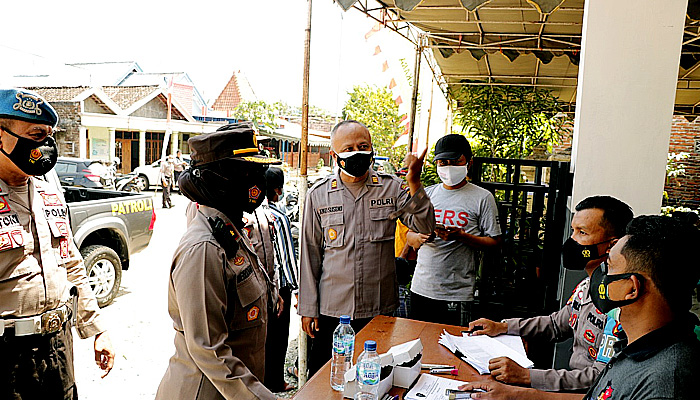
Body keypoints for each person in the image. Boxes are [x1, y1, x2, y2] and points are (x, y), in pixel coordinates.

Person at [459, 215, 700, 400]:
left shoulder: (664, 384)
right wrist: (514, 394)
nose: (601, 275)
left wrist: (525, 379)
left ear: (631, 288)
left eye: (610, 267)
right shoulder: (635, 344)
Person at [156, 122, 283, 400]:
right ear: (221, 179)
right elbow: (209, 348)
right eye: (249, 172)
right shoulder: (203, 248)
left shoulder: (230, 229)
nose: (259, 181)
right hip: (205, 392)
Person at [0, 88, 114, 398]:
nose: (45, 145)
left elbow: (72, 263)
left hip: (58, 347)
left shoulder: (49, 192)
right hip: (7, 356)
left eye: (50, 136)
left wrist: (97, 328)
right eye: (35, 134)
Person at [298, 119, 435, 376]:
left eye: (363, 146)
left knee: (376, 378)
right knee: (327, 379)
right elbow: (309, 254)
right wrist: (308, 309)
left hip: (379, 309)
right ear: (334, 155)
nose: (357, 153)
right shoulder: (319, 195)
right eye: (348, 148)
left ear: (372, 149)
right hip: (333, 312)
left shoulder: (391, 187)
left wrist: (414, 181)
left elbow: (425, 226)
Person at [467, 196, 633, 392]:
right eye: (573, 230)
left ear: (611, 246)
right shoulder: (587, 286)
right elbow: (556, 324)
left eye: (582, 232)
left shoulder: (618, 302)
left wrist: (526, 376)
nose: (572, 240)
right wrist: (503, 327)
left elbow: (600, 376)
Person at [406, 134, 502, 326]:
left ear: (468, 162)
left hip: (457, 293)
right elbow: (409, 234)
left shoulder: (482, 197)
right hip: (421, 289)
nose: (448, 167)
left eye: (455, 161)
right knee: (417, 346)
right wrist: (419, 237)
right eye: (442, 162)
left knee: (451, 350)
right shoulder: (428, 193)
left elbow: (495, 242)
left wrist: (462, 237)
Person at [263, 166, 299, 392]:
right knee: (278, 338)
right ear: (277, 189)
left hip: (258, 285)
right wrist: (296, 289)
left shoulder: (249, 212)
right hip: (279, 288)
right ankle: (276, 382)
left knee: (262, 337)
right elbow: (287, 259)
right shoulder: (278, 216)